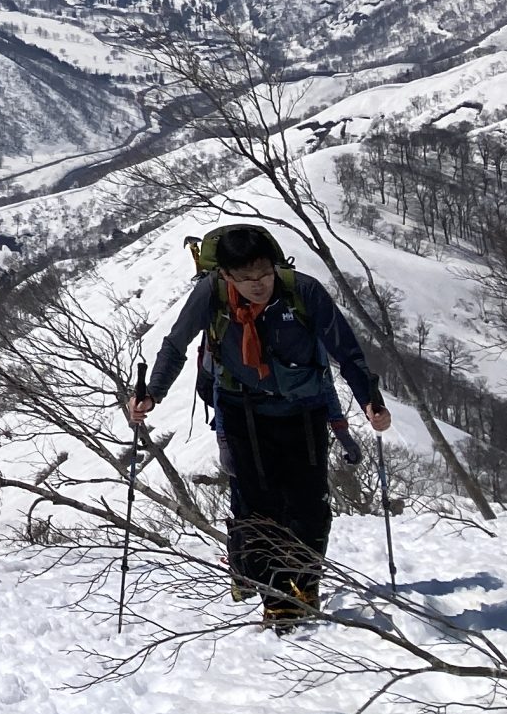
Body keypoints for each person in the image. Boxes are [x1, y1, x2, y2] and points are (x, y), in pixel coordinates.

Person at [124, 223, 392, 628]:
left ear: (276, 266)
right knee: (256, 504)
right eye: (246, 278)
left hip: (304, 410)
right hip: (241, 410)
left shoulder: (304, 291)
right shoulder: (211, 294)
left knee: (309, 503)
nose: (258, 284)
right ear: (225, 276)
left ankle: (305, 584)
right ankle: (277, 594)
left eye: (264, 274)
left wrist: (371, 402)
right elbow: (176, 343)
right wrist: (152, 393)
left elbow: (346, 350)